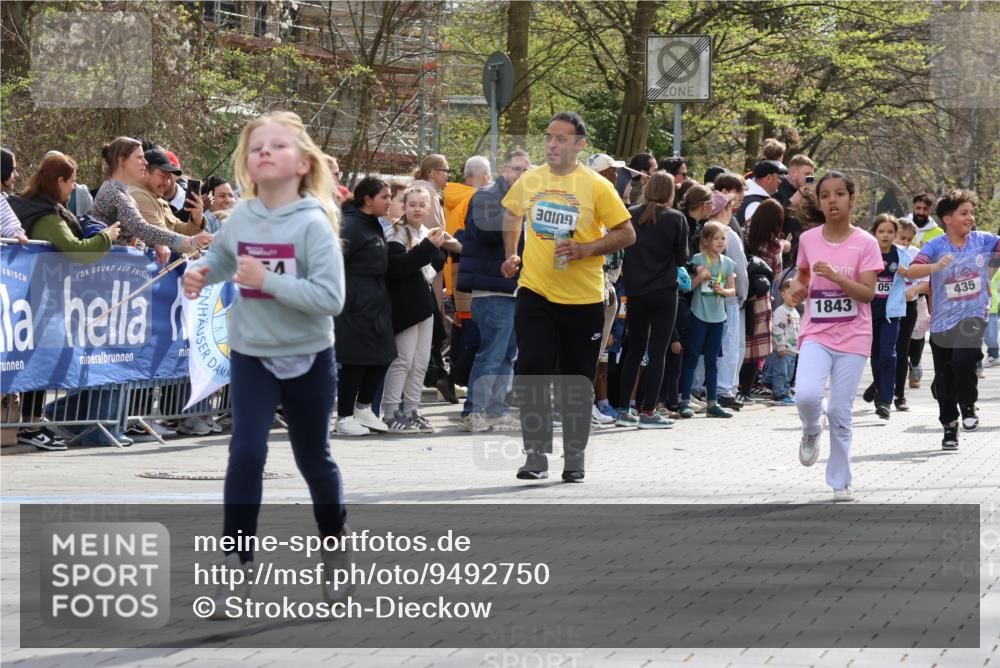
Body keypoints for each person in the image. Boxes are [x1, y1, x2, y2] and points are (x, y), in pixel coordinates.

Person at [181, 111, 348, 607]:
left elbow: (331, 299)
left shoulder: (313, 223)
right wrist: (201, 272)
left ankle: (334, 547)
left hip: (308, 356)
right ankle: (236, 564)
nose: (266, 153)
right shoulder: (243, 217)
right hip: (252, 353)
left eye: (278, 146)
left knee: (313, 459)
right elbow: (225, 260)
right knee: (246, 453)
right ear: (247, 163)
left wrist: (267, 281)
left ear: (302, 163)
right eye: (256, 148)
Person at [500, 111, 635, 482]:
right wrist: (511, 253)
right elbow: (511, 214)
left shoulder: (596, 186)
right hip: (535, 292)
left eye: (561, 139)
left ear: (580, 145)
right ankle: (535, 455)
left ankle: (574, 456)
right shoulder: (531, 179)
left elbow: (626, 233)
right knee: (532, 370)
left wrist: (586, 249)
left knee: (576, 381)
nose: (552, 144)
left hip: (583, 299)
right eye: (548, 137)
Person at [6, 154, 122, 451]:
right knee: (36, 362)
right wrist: (107, 236)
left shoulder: (33, 206)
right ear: (59, 181)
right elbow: (76, 249)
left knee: (34, 360)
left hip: (33, 299)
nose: (74, 187)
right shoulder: (47, 217)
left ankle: (31, 423)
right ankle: (31, 425)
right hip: (35, 301)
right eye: (72, 181)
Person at [789, 171, 882, 502]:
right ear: (820, 202)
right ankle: (811, 429)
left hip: (854, 335)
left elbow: (868, 293)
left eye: (839, 194)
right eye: (825, 195)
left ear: (851, 199)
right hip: (817, 331)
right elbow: (802, 275)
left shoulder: (866, 243)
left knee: (841, 411)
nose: (832, 200)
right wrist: (796, 289)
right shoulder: (808, 239)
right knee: (806, 396)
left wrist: (837, 278)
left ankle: (840, 482)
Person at [906, 188, 1000, 450]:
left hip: (974, 315)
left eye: (972, 212)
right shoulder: (935, 245)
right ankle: (949, 426)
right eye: (964, 213)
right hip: (942, 321)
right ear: (947, 218)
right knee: (945, 377)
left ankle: (968, 405)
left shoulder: (983, 240)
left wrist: (991, 270)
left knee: (963, 360)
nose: (970, 218)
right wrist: (935, 267)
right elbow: (912, 270)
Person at [457, 149, 531, 432]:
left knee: (508, 355)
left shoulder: (526, 199)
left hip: (517, 288)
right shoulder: (486, 195)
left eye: (526, 170)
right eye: (516, 169)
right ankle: (472, 411)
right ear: (503, 169)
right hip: (492, 288)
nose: (521, 175)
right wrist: (516, 213)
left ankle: (497, 410)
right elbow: (484, 232)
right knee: (491, 353)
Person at [615, 171, 688, 428]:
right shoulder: (676, 218)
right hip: (664, 291)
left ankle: (623, 409)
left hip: (636, 291)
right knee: (658, 352)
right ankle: (648, 411)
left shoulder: (631, 214)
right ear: (670, 192)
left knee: (634, 350)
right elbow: (681, 258)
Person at [382, 187, 452, 434]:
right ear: (404, 206)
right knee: (403, 360)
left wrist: (439, 248)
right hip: (404, 304)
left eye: (422, 205)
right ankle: (390, 412)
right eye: (412, 204)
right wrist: (429, 248)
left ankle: (412, 409)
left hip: (424, 303)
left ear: (429, 208)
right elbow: (398, 268)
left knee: (421, 361)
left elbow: (431, 269)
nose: (417, 209)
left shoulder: (427, 232)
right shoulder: (395, 232)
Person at [333, 177, 397, 436]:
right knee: (355, 360)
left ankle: (364, 407)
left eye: (390, 196)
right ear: (368, 199)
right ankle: (344, 417)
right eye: (384, 197)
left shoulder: (373, 224)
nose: (389, 201)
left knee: (384, 354)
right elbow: (334, 261)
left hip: (376, 300)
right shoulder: (350, 225)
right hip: (354, 303)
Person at [92, 137, 208, 266]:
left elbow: (142, 234)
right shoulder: (114, 194)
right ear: (122, 160)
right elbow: (142, 228)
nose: (145, 162)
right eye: (139, 157)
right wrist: (188, 241)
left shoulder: (121, 192)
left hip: (125, 268)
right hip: (115, 270)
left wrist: (196, 220)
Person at [677, 221, 737, 419]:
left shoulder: (728, 263)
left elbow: (733, 290)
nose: (720, 242)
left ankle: (713, 402)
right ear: (705, 241)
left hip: (718, 317)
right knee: (692, 358)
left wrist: (724, 291)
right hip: (698, 314)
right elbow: (687, 287)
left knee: (712, 360)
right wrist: (700, 276)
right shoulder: (697, 259)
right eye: (716, 238)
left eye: (723, 238)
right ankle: (685, 401)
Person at [860, 214, 911, 420]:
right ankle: (879, 387)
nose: (885, 235)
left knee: (888, 354)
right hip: (869, 312)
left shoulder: (901, 255)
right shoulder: (866, 253)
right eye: (881, 231)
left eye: (890, 231)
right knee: (876, 356)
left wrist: (907, 273)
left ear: (895, 234)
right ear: (875, 233)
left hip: (892, 314)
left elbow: (915, 275)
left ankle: (884, 401)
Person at [739, 199, 786, 401]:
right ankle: (745, 391)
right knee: (755, 348)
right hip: (760, 296)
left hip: (740, 293)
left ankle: (733, 386)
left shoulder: (743, 234)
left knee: (739, 343)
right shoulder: (775, 245)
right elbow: (777, 274)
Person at [707, 191, 749, 411]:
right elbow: (740, 268)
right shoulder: (727, 234)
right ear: (723, 210)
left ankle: (705, 388)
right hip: (729, 296)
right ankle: (724, 389)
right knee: (730, 344)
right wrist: (742, 294)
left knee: (709, 346)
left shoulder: (704, 231)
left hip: (706, 296)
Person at [130, 149, 209, 236]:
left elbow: (178, 229)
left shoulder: (159, 200)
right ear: (144, 172)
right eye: (162, 176)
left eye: (168, 178)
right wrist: (192, 241)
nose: (167, 183)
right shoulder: (139, 196)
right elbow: (162, 237)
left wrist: (196, 218)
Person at [891, 218, 927, 410]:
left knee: (902, 349)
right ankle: (878, 385)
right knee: (884, 350)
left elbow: (926, 282)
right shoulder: (881, 252)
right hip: (886, 308)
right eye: (901, 238)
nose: (905, 243)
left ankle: (900, 395)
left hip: (908, 306)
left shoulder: (915, 254)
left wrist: (912, 290)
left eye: (909, 239)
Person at [771, 278, 800, 405]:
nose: (794, 296)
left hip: (793, 349)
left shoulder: (795, 312)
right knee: (781, 372)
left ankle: (786, 390)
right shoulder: (781, 311)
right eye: (790, 293)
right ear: (783, 295)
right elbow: (778, 329)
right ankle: (779, 394)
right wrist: (780, 345)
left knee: (789, 373)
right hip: (783, 349)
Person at [736, 160, 783, 230]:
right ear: (768, 178)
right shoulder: (755, 204)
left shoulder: (752, 198)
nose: (780, 181)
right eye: (778, 177)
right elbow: (758, 233)